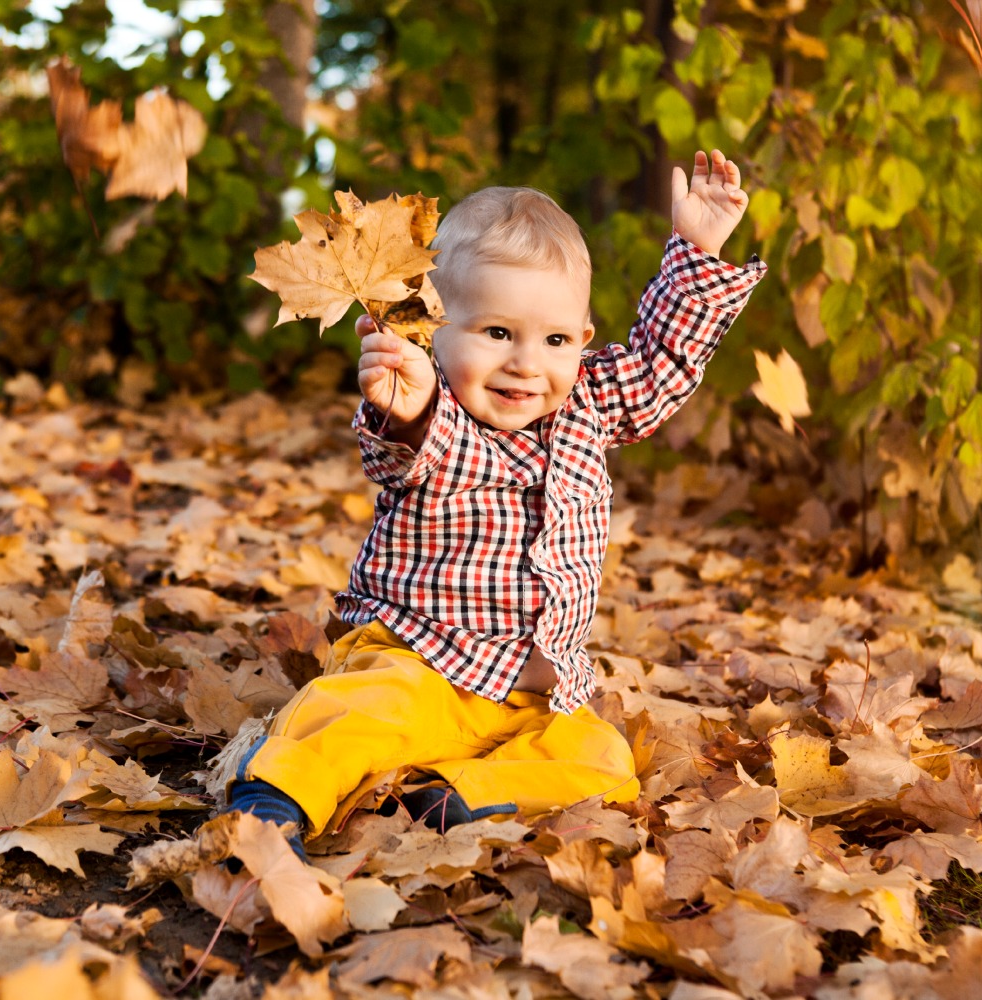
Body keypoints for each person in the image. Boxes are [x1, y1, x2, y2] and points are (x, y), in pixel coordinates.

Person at [226, 150, 767, 858]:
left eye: (552, 340)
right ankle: (275, 798)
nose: (524, 362)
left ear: (581, 343)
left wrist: (697, 249)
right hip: (420, 663)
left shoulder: (590, 404)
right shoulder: (437, 410)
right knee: (357, 712)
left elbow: (664, 363)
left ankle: (449, 797)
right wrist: (408, 405)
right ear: (433, 331)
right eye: (496, 333)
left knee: (606, 763)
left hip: (536, 699)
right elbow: (410, 450)